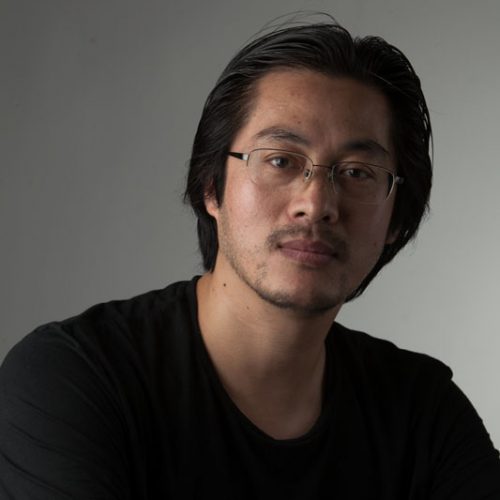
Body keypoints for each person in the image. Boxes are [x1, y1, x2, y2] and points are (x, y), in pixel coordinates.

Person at [1, 19, 499, 499]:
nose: (317, 204)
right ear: (210, 187)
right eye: (280, 160)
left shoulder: (423, 414)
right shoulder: (74, 378)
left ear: (395, 221)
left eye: (357, 172)